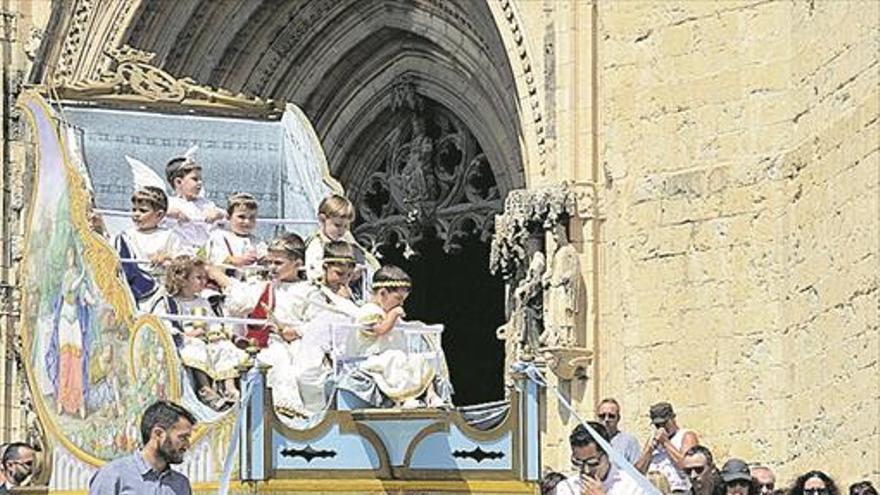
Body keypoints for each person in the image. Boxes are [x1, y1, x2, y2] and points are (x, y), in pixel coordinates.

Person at [216, 233, 327, 418]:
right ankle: (286, 412)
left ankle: (313, 416)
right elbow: (238, 300)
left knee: (307, 372)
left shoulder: (309, 290)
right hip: (271, 340)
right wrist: (217, 274)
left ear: (298, 263)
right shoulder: (265, 287)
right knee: (278, 360)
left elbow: (319, 322)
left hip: (302, 343)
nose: (272, 268)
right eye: (270, 262)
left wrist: (297, 331)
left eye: (278, 263)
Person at [337, 264, 450, 408]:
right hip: (371, 359)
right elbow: (380, 330)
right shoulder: (369, 311)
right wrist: (393, 315)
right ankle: (404, 398)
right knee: (395, 359)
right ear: (383, 294)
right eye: (398, 299)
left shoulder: (387, 312)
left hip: (390, 356)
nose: (401, 304)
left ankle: (431, 396)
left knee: (418, 360)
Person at [151, 256, 245, 410]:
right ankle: (205, 388)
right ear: (182, 279)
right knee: (195, 347)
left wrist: (214, 333)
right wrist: (186, 335)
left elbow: (213, 322)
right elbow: (162, 326)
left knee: (225, 347)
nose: (204, 282)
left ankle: (229, 387)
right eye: (198, 277)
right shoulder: (167, 302)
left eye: (205, 277)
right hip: (184, 340)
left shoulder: (203, 302)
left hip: (206, 338)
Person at [88, 400, 195, 494]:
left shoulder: (181, 485)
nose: (187, 445)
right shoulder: (113, 476)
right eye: (182, 437)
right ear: (158, 434)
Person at [46, 245, 94, 419]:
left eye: (73, 255)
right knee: (65, 362)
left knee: (78, 362)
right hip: (65, 323)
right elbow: (70, 290)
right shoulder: (68, 277)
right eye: (69, 255)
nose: (71, 258)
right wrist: (83, 275)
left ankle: (79, 401)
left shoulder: (80, 280)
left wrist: (93, 299)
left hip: (76, 323)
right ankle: (62, 400)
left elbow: (87, 297)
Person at [115, 186, 184, 305]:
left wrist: (167, 259)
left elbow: (182, 264)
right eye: (134, 209)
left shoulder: (169, 236)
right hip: (130, 290)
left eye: (142, 211)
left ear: (159, 215)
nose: (136, 214)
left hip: (160, 290)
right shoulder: (125, 236)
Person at [554, 422, 645, 495]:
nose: (586, 471)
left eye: (592, 463)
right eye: (578, 463)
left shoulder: (632, 484)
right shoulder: (566, 487)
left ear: (608, 453)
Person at [163, 155, 226, 251]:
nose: (200, 183)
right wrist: (168, 212)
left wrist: (219, 214)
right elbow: (154, 216)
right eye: (195, 179)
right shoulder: (170, 203)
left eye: (200, 179)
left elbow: (227, 217)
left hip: (205, 252)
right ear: (178, 182)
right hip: (180, 251)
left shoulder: (206, 204)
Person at [636, 402, 699, 493]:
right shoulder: (652, 440)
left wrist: (666, 443)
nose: (662, 428)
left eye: (664, 423)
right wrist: (649, 450)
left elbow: (688, 466)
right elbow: (637, 472)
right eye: (657, 425)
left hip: (678, 490)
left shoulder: (686, 436)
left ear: (673, 419)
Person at [206, 192, 265, 276]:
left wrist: (263, 259)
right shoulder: (219, 236)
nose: (247, 221)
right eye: (241, 217)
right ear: (228, 217)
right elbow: (216, 258)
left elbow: (265, 257)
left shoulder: (257, 242)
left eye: (252, 217)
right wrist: (237, 260)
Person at [596, 398, 641, 464]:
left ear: (618, 418)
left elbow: (636, 470)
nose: (606, 419)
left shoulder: (629, 442)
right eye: (602, 416)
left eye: (611, 416)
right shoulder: (591, 440)